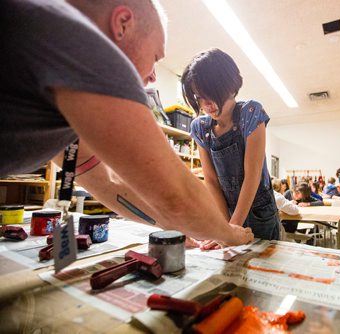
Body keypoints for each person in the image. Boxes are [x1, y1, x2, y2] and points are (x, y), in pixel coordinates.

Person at [0, 0, 253, 247]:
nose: (154, 75)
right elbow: (177, 196)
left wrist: (170, 224)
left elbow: (108, 182)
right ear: (122, 23)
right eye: (155, 56)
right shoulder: (84, 46)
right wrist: (230, 236)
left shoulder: (53, 48)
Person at [182, 48, 280, 247]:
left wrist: (230, 229)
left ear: (231, 87)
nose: (207, 105)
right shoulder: (200, 127)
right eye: (199, 97)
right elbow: (211, 181)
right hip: (226, 211)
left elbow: (252, 177)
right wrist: (225, 228)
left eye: (212, 95)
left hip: (259, 213)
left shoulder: (251, 113)